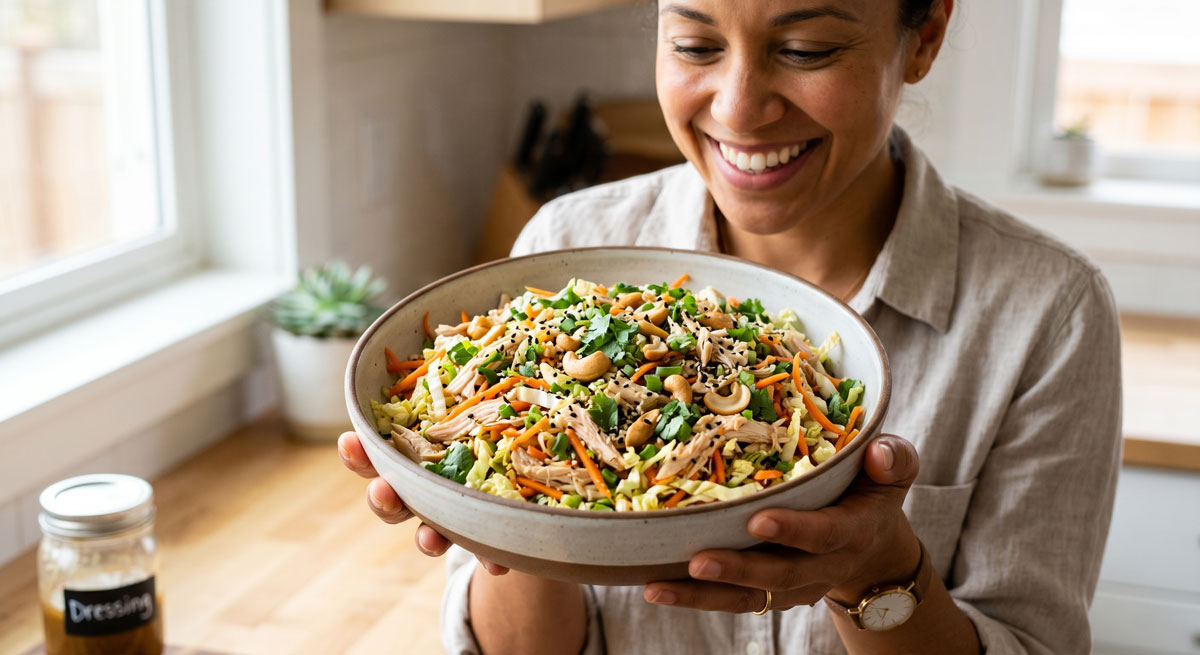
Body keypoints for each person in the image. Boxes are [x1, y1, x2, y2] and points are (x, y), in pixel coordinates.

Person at [338, 0, 1123, 652]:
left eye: (807, 49)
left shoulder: (1049, 314)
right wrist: (515, 523)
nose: (740, 108)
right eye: (694, 43)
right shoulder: (558, 253)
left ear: (924, 37)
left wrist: (875, 566)